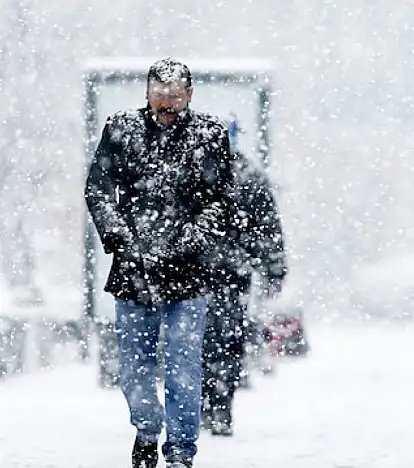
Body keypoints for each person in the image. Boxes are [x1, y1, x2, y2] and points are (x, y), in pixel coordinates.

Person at [84, 57, 236, 468]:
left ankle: (182, 452)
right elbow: (98, 189)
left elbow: (222, 199)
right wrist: (120, 236)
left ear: (189, 95)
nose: (165, 103)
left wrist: (190, 238)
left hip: (190, 271)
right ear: (146, 92)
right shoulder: (121, 129)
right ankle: (148, 428)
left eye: (173, 96)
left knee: (184, 365)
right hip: (134, 270)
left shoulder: (210, 134)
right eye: (158, 95)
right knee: (135, 367)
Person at [201, 115, 288, 437]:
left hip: (211, 273)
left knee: (208, 340)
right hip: (228, 272)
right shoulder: (248, 175)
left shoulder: (214, 173)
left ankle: (209, 405)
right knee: (224, 340)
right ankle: (218, 405)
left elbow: (268, 227)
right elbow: (269, 228)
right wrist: (273, 269)